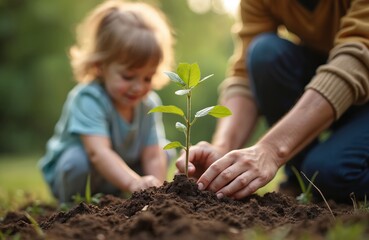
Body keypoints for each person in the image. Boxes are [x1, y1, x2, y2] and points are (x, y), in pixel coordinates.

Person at [176, 0, 369, 203]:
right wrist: (223, 149)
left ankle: (320, 179)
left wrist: (271, 149)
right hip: (331, 88)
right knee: (265, 53)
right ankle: (300, 180)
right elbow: (244, 77)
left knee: (332, 172)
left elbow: (357, 58)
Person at [39, 0, 175, 203]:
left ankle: (118, 196)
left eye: (147, 78)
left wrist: (155, 190)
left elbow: (152, 154)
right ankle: (74, 205)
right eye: (128, 76)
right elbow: (98, 153)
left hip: (119, 172)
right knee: (76, 162)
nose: (139, 87)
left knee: (165, 152)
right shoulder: (88, 98)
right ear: (100, 66)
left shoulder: (149, 103)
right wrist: (133, 184)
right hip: (80, 175)